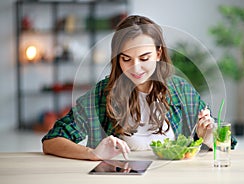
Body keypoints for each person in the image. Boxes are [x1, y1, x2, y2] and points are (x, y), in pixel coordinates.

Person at [42, 15, 216, 161]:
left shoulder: (181, 91)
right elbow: (51, 141)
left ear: (158, 54)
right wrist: (93, 154)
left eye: (144, 57)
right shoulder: (102, 95)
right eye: (126, 59)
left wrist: (207, 138)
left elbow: (226, 141)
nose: (136, 68)